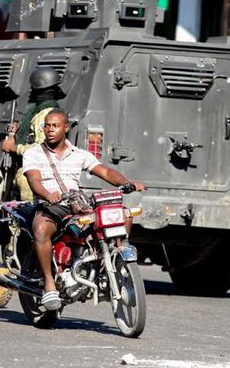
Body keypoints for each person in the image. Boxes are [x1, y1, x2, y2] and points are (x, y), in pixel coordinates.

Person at [23, 108, 144, 311]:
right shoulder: (33, 153)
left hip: (76, 204)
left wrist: (127, 183)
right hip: (50, 206)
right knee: (41, 229)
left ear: (66, 128)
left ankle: (109, 262)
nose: (50, 130)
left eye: (55, 126)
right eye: (47, 126)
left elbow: (104, 171)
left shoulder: (79, 154)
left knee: (121, 214)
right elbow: (34, 180)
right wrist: (47, 193)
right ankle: (49, 283)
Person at [3, 67, 64, 201]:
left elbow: (41, 149)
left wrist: (14, 147)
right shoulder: (49, 111)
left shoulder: (44, 115)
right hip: (44, 170)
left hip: (38, 172)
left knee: (27, 209)